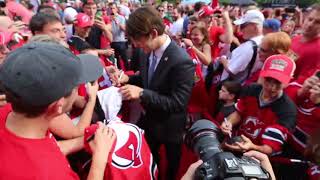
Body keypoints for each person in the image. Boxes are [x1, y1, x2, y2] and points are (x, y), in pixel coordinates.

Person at [0, 42, 115, 179]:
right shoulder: (51, 173)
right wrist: (100, 158)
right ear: (57, 106)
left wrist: (84, 140)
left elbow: (45, 147)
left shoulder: (10, 113)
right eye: (76, 86)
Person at [113, 6, 195, 180]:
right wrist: (128, 79)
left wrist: (142, 93)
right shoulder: (145, 52)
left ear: (153, 33)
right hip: (149, 120)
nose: (135, 45)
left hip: (170, 126)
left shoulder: (181, 61)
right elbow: (147, 79)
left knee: (171, 166)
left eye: (138, 40)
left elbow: (178, 103)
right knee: (149, 160)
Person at [221, 54, 297, 155]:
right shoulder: (251, 89)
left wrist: (252, 147)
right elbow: (239, 113)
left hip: (257, 157)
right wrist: (229, 123)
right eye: (268, 80)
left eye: (278, 83)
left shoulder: (287, 111)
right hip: (236, 142)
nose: (271, 87)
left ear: (289, 80)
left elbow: (269, 148)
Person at [219, 9, 264, 83]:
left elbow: (231, 69)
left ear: (254, 26)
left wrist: (223, 59)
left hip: (235, 88)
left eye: (243, 26)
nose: (240, 30)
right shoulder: (263, 41)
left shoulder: (249, 47)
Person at [291, 4, 320, 83]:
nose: (310, 24)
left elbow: (304, 82)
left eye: (317, 22)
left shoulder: (318, 49)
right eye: (310, 19)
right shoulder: (295, 39)